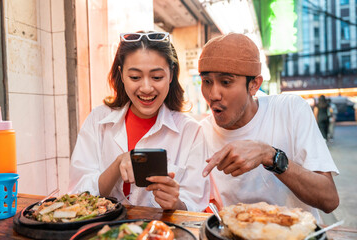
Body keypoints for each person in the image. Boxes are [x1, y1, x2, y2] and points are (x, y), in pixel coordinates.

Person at [198, 33, 339, 222]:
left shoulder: (290, 110)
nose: (213, 94)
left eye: (226, 82)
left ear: (254, 85)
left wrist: (270, 156)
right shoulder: (200, 134)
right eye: (207, 82)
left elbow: (329, 200)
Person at [69, 31, 209, 212]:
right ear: (121, 74)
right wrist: (117, 165)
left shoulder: (191, 132)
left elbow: (195, 209)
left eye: (157, 77)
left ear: (171, 74)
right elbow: (78, 195)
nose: (146, 88)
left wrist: (175, 204)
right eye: (135, 77)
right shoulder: (98, 120)